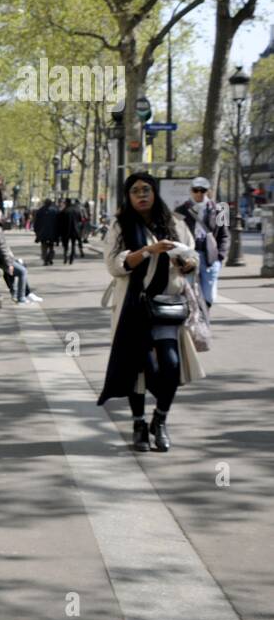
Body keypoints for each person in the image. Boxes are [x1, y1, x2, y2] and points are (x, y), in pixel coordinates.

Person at [98, 172, 203, 452]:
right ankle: (138, 423)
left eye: (146, 189)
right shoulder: (120, 226)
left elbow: (192, 256)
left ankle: (160, 419)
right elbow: (113, 265)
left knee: (170, 365)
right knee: (138, 367)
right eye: (135, 191)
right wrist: (147, 251)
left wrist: (187, 264)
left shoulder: (176, 224)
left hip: (167, 306)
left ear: (155, 193)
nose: (142, 195)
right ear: (128, 196)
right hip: (134, 306)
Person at [174, 176, 230, 309]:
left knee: (208, 295)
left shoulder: (220, 210)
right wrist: (178, 257)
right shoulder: (180, 210)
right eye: (196, 190)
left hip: (209, 257)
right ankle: (193, 319)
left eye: (202, 190)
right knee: (188, 292)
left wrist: (220, 257)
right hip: (188, 255)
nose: (199, 193)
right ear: (191, 191)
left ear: (208, 191)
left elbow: (225, 235)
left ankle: (204, 316)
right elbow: (174, 234)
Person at [0, 208, 42, 304]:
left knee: (20, 264)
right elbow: (1, 248)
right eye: (1, 216)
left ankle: (23, 293)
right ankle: (21, 298)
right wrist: (8, 264)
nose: (4, 218)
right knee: (22, 271)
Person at [32, 198, 59, 265]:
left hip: (42, 232)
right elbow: (58, 222)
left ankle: (45, 259)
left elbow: (36, 222)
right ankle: (50, 257)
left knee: (44, 247)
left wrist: (36, 231)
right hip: (52, 232)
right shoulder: (55, 211)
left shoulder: (40, 211)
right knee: (51, 246)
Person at [60, 197, 85, 263]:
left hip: (65, 230)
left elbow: (60, 222)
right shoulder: (76, 210)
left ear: (66, 203)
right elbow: (80, 219)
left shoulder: (64, 211)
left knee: (65, 244)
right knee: (73, 244)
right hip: (75, 230)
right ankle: (72, 257)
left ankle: (65, 256)